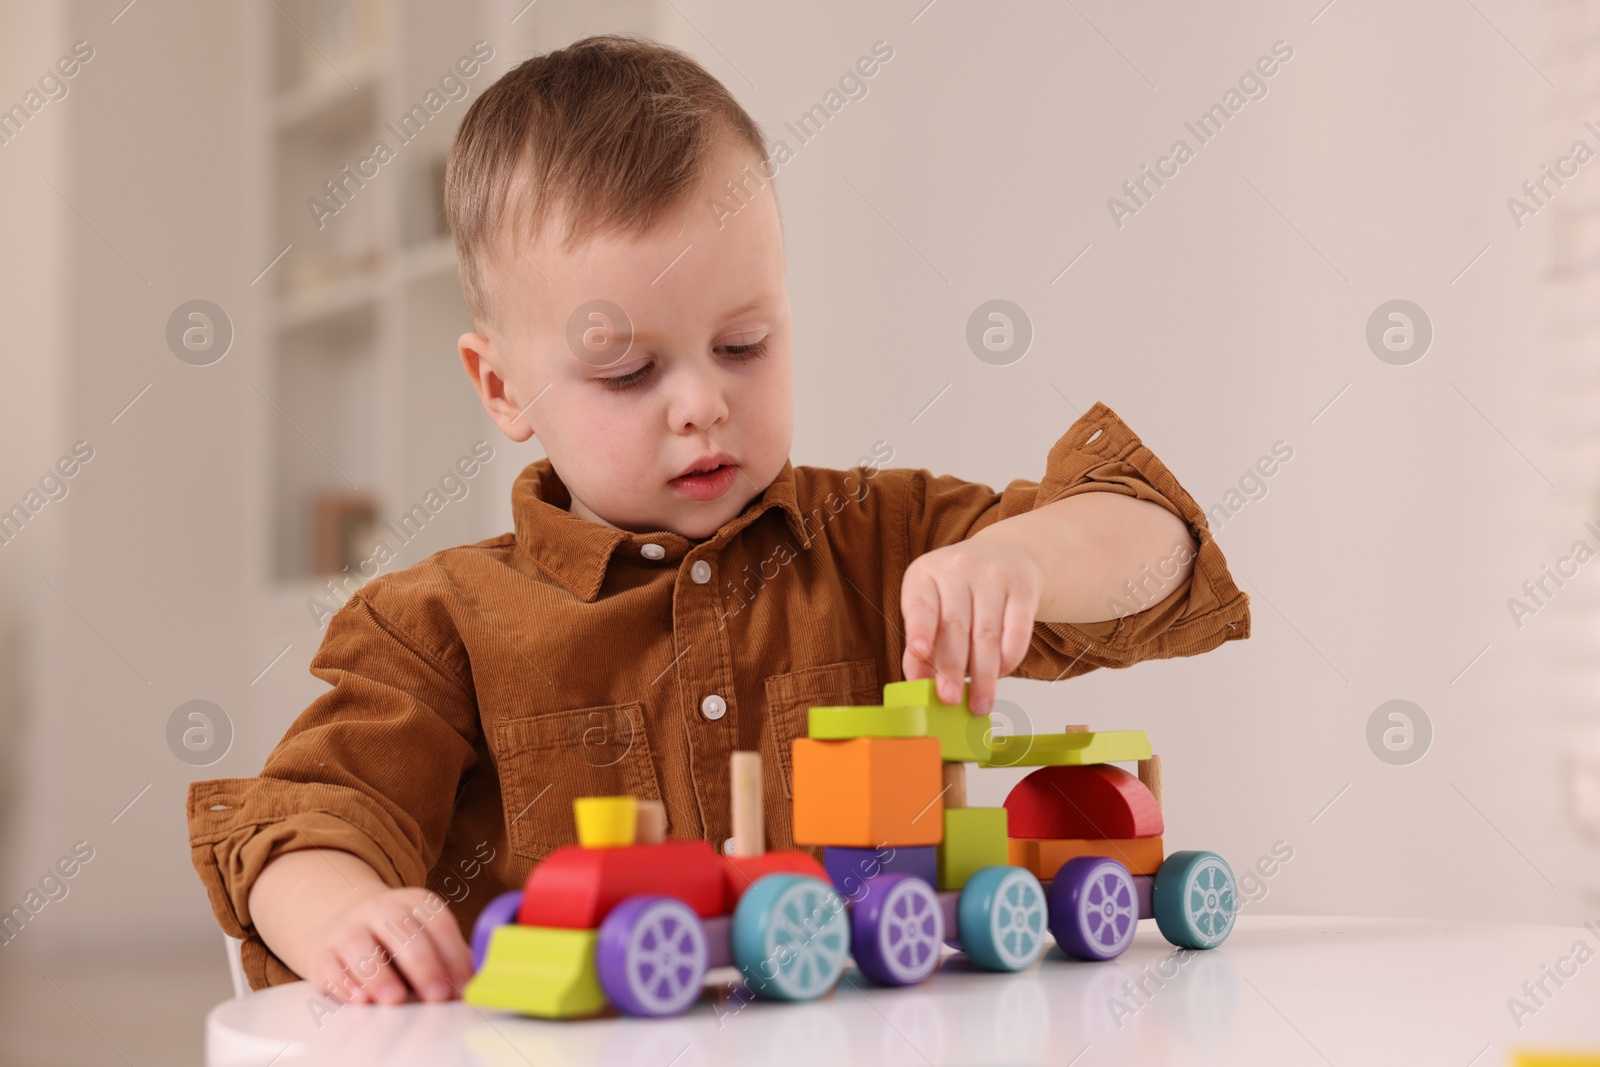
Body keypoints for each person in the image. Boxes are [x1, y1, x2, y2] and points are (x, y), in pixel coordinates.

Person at [186, 34, 1250, 1006]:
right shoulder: (435, 626)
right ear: (501, 384)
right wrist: (346, 915)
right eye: (627, 368)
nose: (700, 401)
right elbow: (304, 820)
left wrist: (1024, 557)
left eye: (743, 344)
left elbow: (1155, 543)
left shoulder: (883, 538)